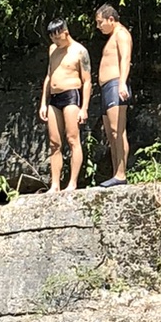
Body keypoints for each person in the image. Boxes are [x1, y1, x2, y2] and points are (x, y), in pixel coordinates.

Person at [39, 16, 93, 195]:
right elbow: (49, 76)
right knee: (54, 143)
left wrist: (84, 108)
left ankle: (72, 183)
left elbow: (87, 81)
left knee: (72, 139)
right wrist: (43, 103)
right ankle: (55, 184)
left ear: (65, 33)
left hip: (71, 95)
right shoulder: (53, 49)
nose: (55, 41)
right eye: (52, 38)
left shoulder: (79, 51)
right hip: (54, 98)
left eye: (57, 37)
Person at [95, 4, 133, 186]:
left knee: (118, 131)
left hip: (116, 84)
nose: (98, 26)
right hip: (106, 88)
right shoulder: (112, 37)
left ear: (111, 19)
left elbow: (126, 59)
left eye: (100, 22)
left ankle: (121, 174)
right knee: (111, 133)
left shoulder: (122, 34)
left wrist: (122, 82)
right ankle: (115, 173)